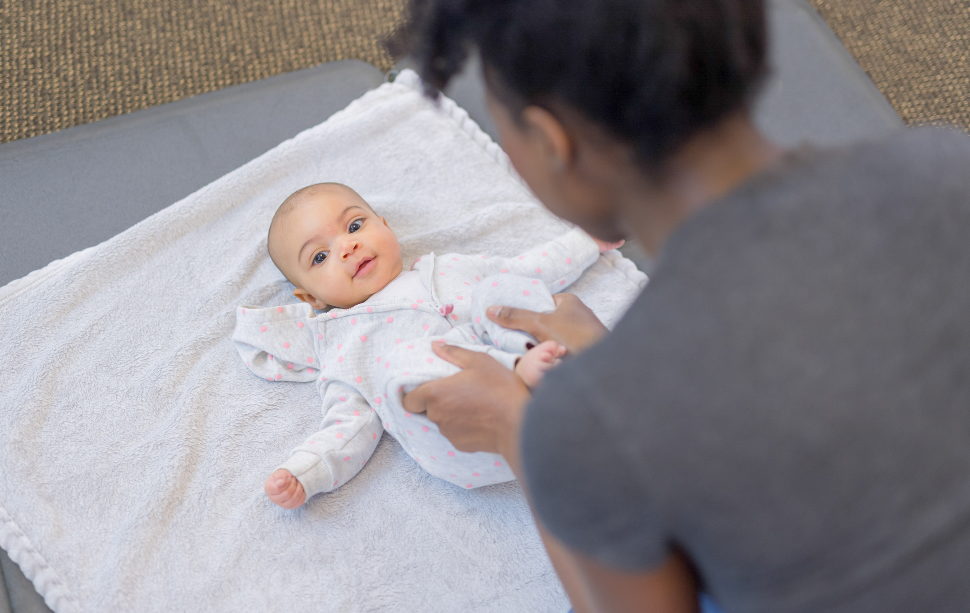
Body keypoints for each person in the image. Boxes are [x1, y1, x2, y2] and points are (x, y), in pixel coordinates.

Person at [398, 0, 970, 612]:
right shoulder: (947, 166)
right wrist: (623, 380)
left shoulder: (579, 428)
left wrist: (515, 428)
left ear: (550, 141)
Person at [231, 182, 626, 508]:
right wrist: (305, 472)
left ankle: (535, 366)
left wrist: (586, 242)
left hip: (533, 370)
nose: (347, 248)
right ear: (312, 298)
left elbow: (528, 270)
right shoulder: (344, 346)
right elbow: (347, 425)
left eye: (354, 226)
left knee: (499, 288)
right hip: (464, 435)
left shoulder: (449, 267)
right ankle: (520, 374)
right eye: (320, 257)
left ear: (385, 226)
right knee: (403, 363)